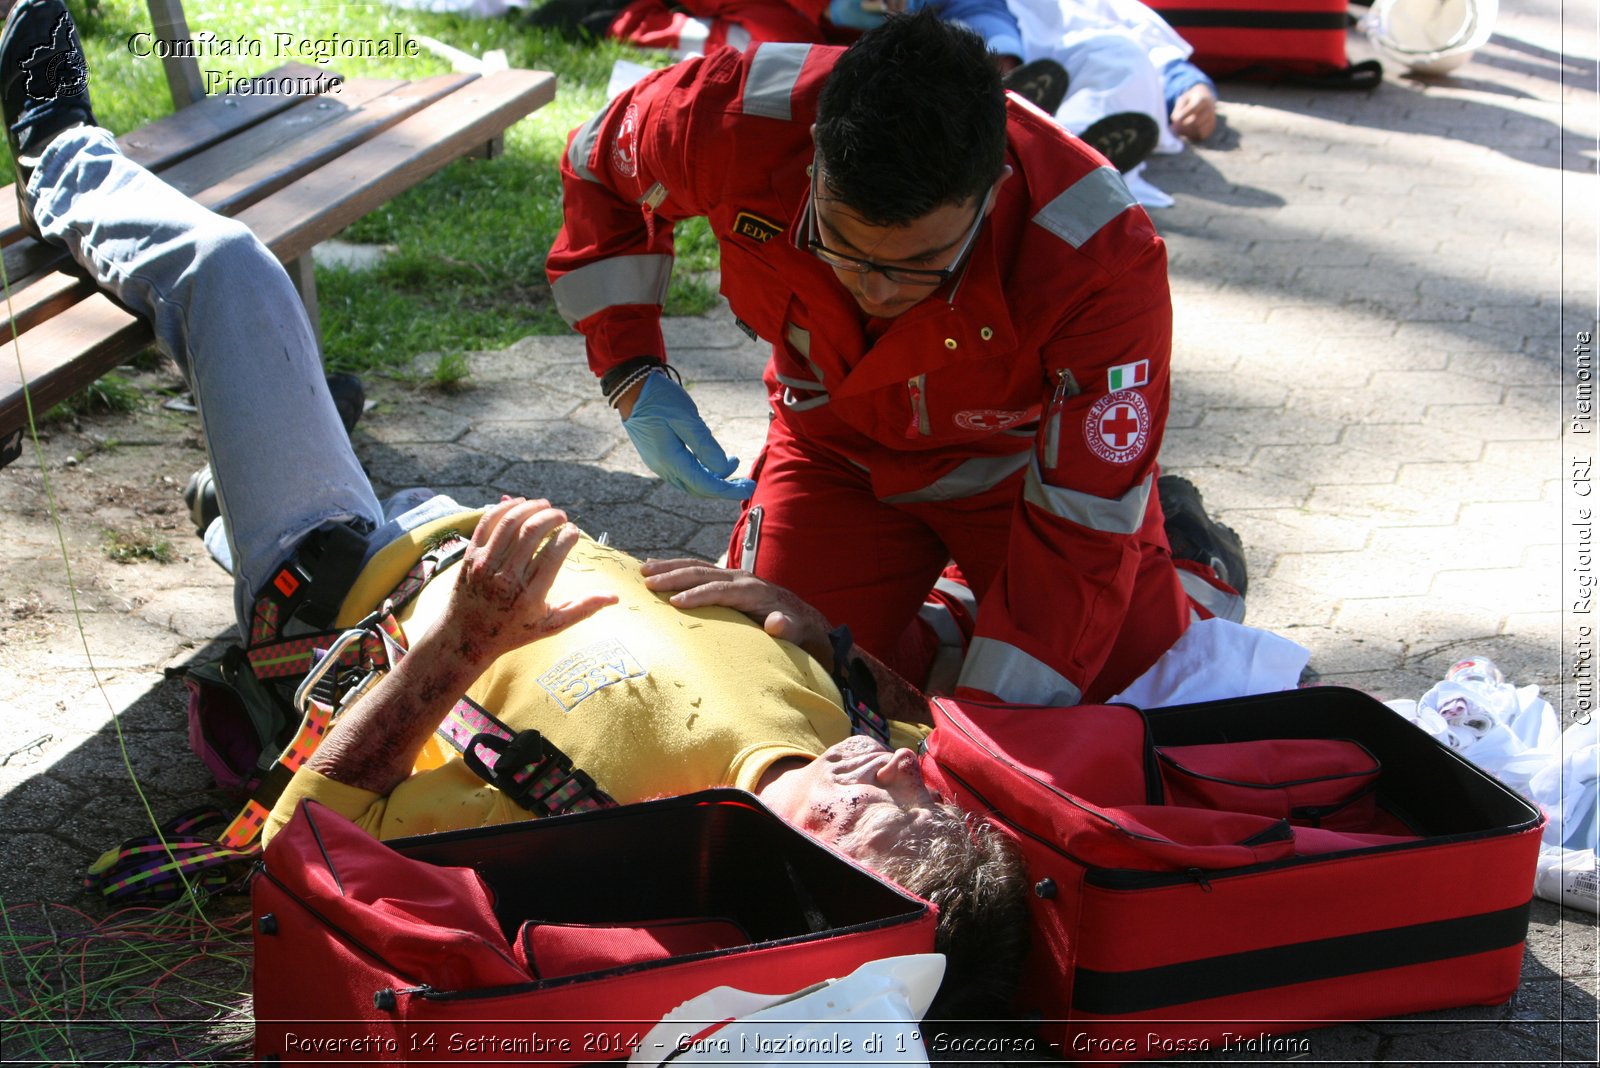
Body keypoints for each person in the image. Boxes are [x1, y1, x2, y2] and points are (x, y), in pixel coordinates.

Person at [1, 0, 1025, 1010]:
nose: (879, 773)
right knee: (269, 387)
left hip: (346, 569)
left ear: (816, 890)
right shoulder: (868, 739)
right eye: (913, 791)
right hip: (456, 518)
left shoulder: (597, 850)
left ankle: (55, 150)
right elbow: (921, 716)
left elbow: (298, 853)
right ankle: (249, 468)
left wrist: (458, 645)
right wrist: (837, 647)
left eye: (864, 815)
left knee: (232, 275)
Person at [549, 11, 1246, 709]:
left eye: (921, 263)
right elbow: (597, 166)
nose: (876, 290)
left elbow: (1080, 534)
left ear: (993, 191)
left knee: (1141, 694)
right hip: (833, 448)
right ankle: (958, 619)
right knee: (776, 676)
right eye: (843, 246)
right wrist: (631, 370)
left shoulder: (1098, 255)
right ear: (814, 155)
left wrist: (991, 738)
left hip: (1022, 477)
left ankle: (1187, 563)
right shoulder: (733, 115)